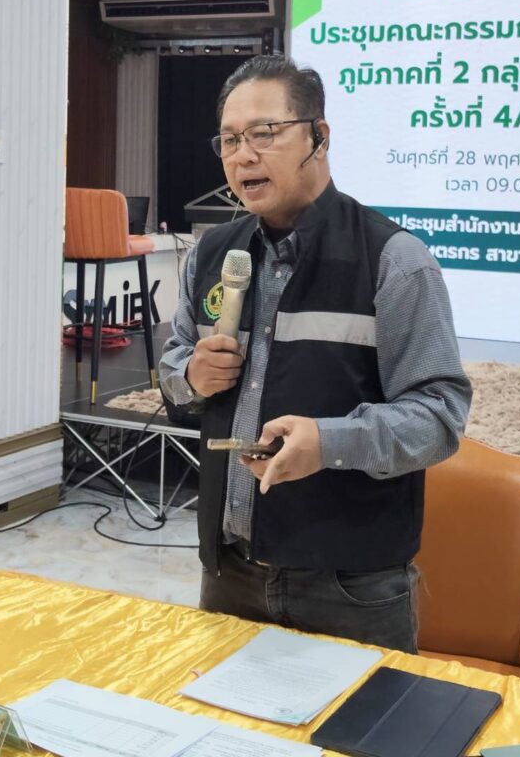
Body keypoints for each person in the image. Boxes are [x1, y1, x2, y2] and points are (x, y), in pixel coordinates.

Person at [159, 55, 471, 653]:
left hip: (351, 585)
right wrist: (191, 376)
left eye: (264, 134)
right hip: (229, 572)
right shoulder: (214, 256)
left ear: (319, 137)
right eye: (229, 140)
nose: (243, 156)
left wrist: (330, 442)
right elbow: (174, 368)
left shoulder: (394, 260)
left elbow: (439, 417)